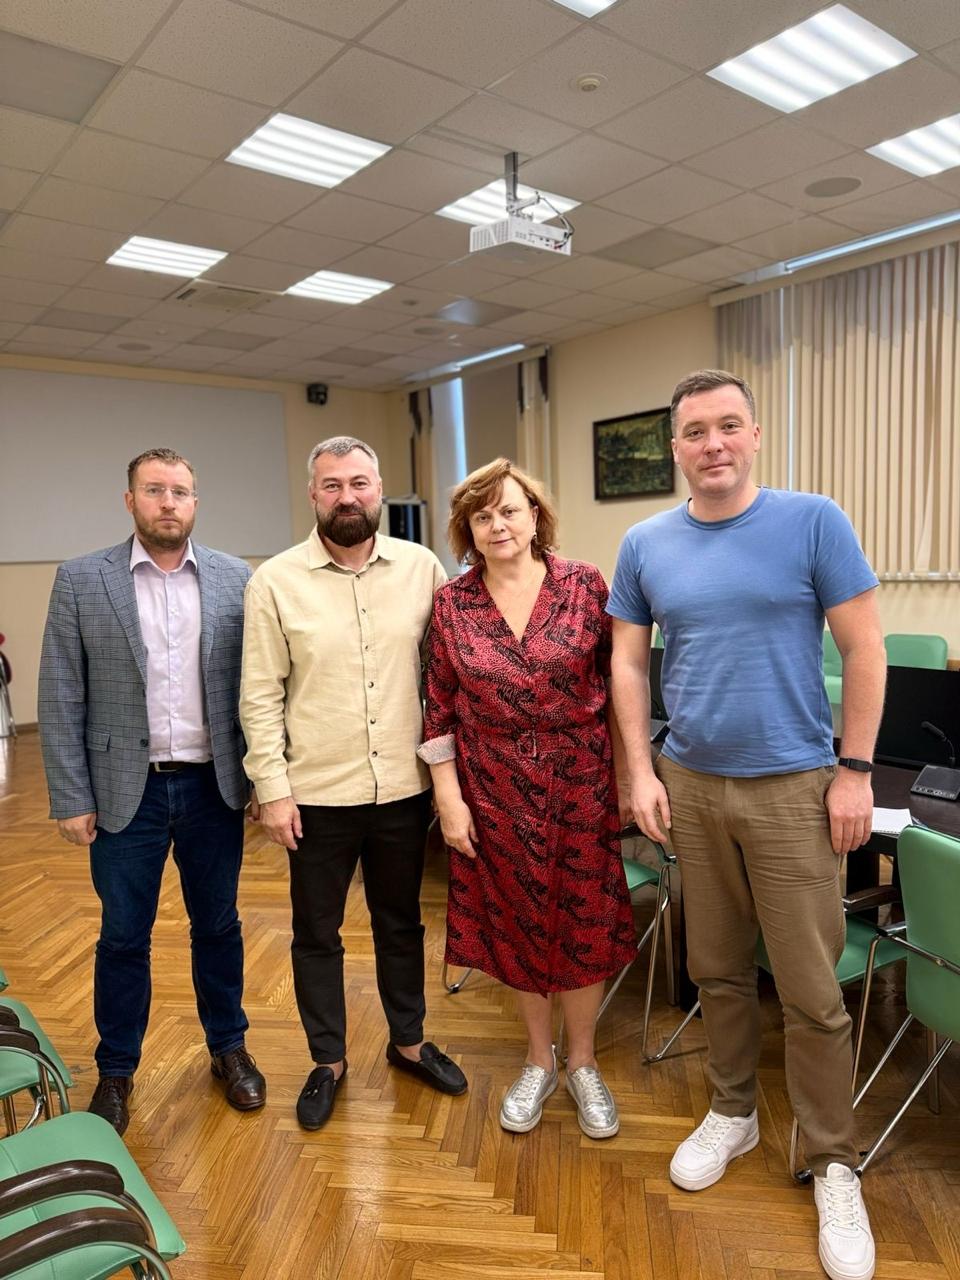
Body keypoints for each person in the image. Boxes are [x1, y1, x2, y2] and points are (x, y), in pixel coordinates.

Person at [608, 370, 886, 1280]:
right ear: (676, 449)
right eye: (695, 431)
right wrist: (639, 769)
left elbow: (864, 647)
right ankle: (733, 1112)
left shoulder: (813, 521)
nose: (714, 443)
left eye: (729, 426)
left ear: (755, 435)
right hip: (690, 784)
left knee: (809, 990)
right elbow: (629, 664)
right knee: (717, 970)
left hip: (793, 787)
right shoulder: (646, 542)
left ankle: (833, 1158)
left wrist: (854, 772)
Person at [240, 435, 468, 1130]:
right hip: (315, 796)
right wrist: (272, 789)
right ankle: (328, 1061)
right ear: (313, 494)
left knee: (402, 923)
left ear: (379, 489)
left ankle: (409, 1042)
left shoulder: (422, 569)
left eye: (359, 483)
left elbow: (447, 678)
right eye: (333, 485)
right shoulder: (275, 581)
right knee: (317, 933)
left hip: (403, 787)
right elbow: (259, 694)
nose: (348, 496)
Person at [38, 448, 265, 1136]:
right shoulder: (82, 579)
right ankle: (116, 1071)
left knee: (219, 926)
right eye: (155, 490)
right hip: (121, 792)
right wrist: (71, 795)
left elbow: (256, 689)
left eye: (181, 491)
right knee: (122, 936)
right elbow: (60, 692)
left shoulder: (236, 578)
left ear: (196, 501)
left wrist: (261, 779)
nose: (169, 502)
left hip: (212, 788)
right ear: (130, 500)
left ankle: (229, 1049)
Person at [420, 458, 636, 1140]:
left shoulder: (584, 585)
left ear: (535, 515)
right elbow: (438, 709)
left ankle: (583, 1062)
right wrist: (448, 799)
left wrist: (630, 777)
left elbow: (621, 689)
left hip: (582, 785)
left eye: (509, 510)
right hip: (493, 791)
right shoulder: (452, 604)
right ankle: (539, 1060)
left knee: (583, 924)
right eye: (482, 516)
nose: (498, 525)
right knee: (517, 926)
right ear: (468, 530)